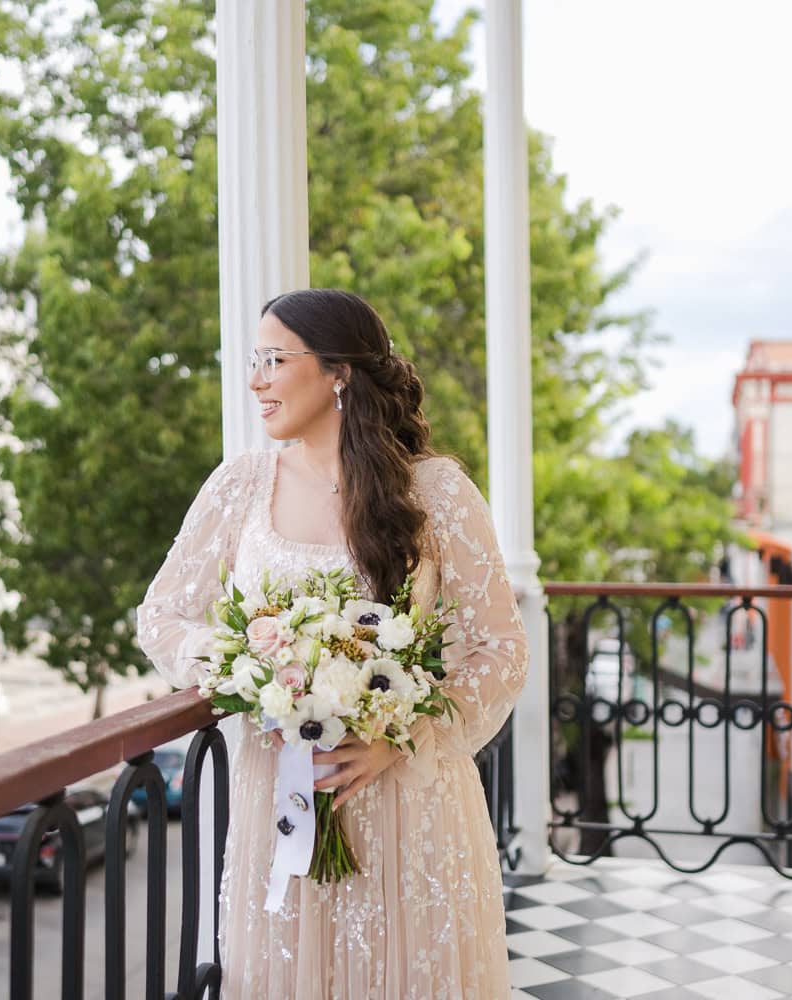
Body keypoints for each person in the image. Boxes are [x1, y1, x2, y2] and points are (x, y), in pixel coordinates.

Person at [138, 289, 528, 999]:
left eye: (275, 359)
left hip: (411, 803)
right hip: (281, 798)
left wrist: (404, 734)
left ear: (338, 372)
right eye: (254, 360)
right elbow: (162, 615)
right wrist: (253, 670)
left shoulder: (436, 492)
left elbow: (500, 648)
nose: (256, 379)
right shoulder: (240, 486)